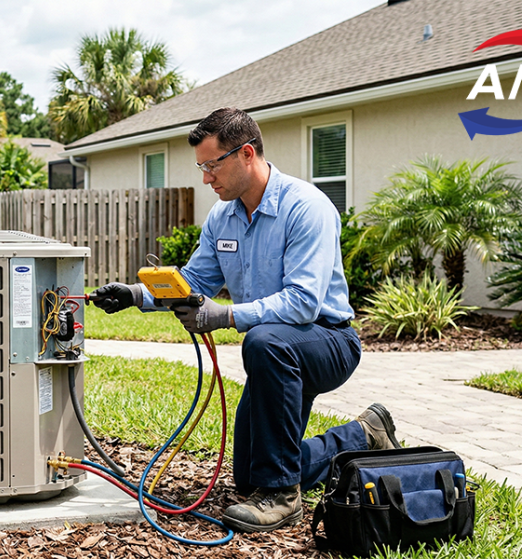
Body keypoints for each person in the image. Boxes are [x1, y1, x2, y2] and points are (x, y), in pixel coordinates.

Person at [92, 107, 401, 533]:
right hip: (273, 349)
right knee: (249, 476)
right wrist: (135, 295)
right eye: (201, 167)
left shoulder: (306, 208)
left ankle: (283, 498)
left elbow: (303, 303)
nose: (206, 177)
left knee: (264, 342)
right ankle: (363, 436)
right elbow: (194, 280)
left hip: (327, 342)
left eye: (212, 165)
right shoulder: (224, 216)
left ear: (247, 153)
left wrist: (226, 315)